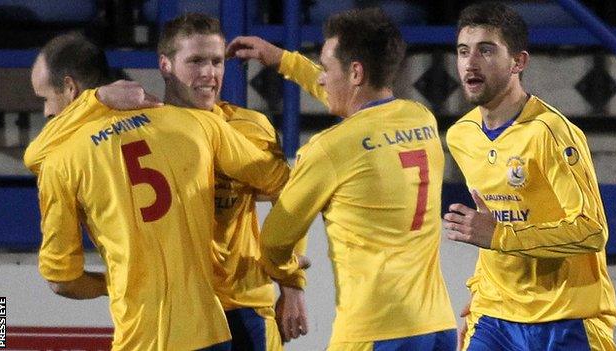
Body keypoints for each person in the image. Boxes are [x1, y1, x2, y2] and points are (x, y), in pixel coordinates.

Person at [26, 32, 290, 350]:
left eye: (44, 99)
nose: (45, 113)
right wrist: (286, 270)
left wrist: (116, 281)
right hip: (210, 332)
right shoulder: (194, 123)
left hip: (143, 338)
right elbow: (283, 183)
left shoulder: (60, 161)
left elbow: (61, 280)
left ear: (70, 89)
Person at [227, 8, 457, 350]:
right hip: (437, 325)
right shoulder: (420, 119)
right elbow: (358, 103)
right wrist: (283, 61)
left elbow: (273, 241)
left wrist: (289, 273)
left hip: (374, 330)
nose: (320, 78)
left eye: (326, 68)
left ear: (356, 73)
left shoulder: (328, 150)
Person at [442, 2, 616, 350]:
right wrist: (479, 296)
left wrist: (502, 236)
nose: (470, 63)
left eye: (486, 50)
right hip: (495, 317)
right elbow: (493, 221)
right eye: (463, 51)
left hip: (564, 318)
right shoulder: (461, 136)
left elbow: (592, 231)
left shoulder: (550, 133)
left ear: (518, 62)